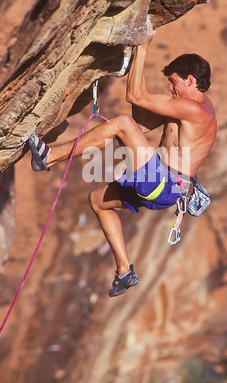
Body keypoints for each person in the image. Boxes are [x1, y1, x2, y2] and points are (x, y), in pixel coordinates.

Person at [28, 21, 217, 297]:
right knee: (98, 201)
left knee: (123, 125)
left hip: (163, 184)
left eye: (174, 82)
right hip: (164, 189)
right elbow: (141, 122)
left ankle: (50, 156)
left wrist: (143, 46)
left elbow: (134, 98)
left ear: (190, 81)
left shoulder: (195, 111)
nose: (170, 87)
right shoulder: (192, 108)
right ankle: (124, 270)